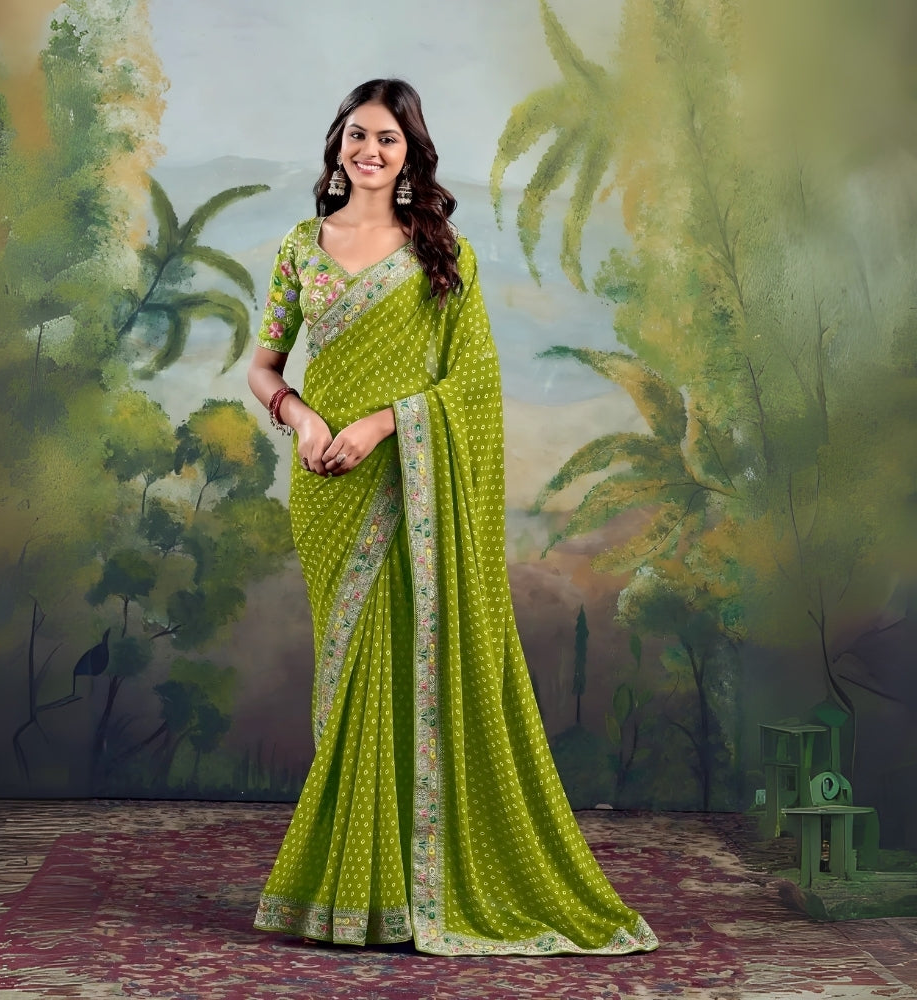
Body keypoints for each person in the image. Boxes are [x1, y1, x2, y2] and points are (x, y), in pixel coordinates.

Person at [246, 78, 658, 957]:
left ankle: (396, 886)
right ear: (337, 145)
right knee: (352, 671)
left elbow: (469, 383)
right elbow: (265, 365)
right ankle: (355, 882)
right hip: (326, 489)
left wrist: (381, 423)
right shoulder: (299, 247)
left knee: (399, 666)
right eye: (357, 135)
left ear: (411, 154)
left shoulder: (442, 255)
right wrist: (305, 417)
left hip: (405, 482)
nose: (369, 151)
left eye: (388, 140)